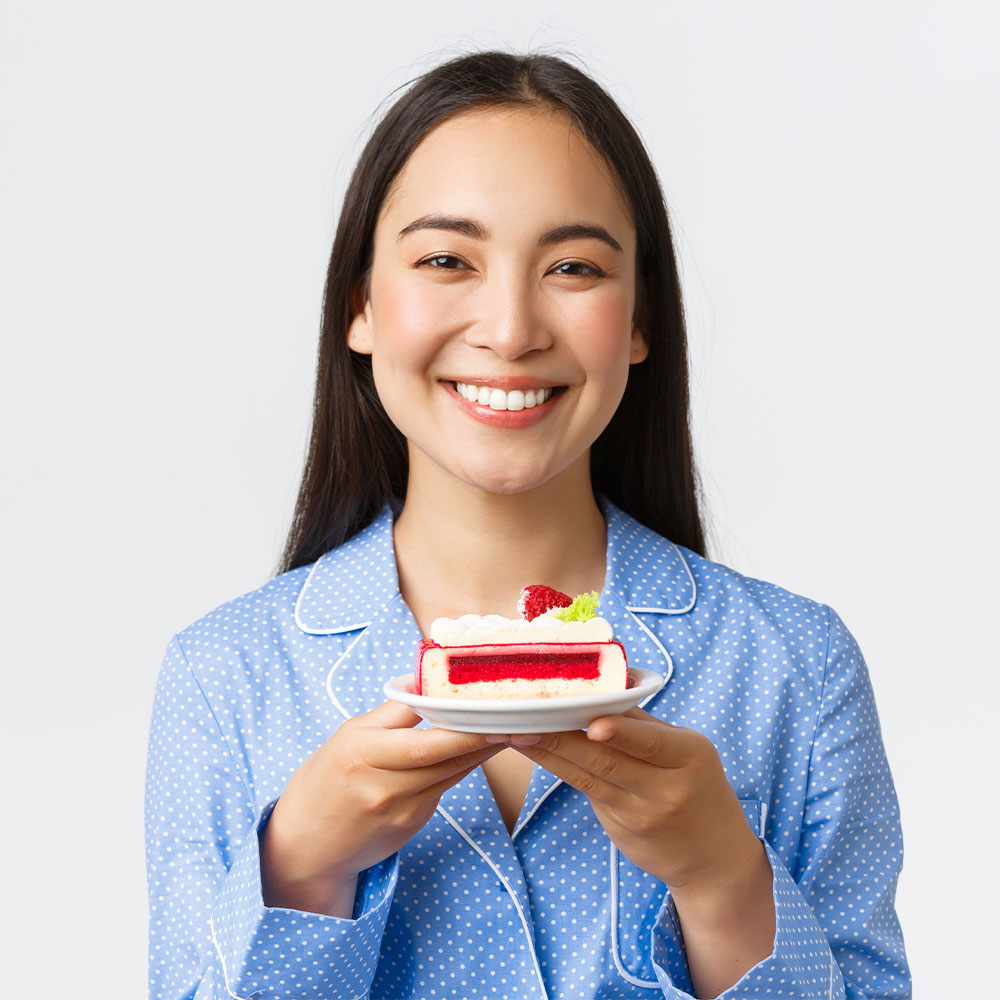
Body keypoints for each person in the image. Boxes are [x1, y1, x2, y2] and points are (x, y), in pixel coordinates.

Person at [145, 50, 910, 1000]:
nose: (509, 329)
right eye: (443, 260)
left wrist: (722, 882)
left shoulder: (795, 666)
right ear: (361, 306)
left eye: (574, 267)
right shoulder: (224, 676)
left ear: (639, 322)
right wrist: (302, 867)